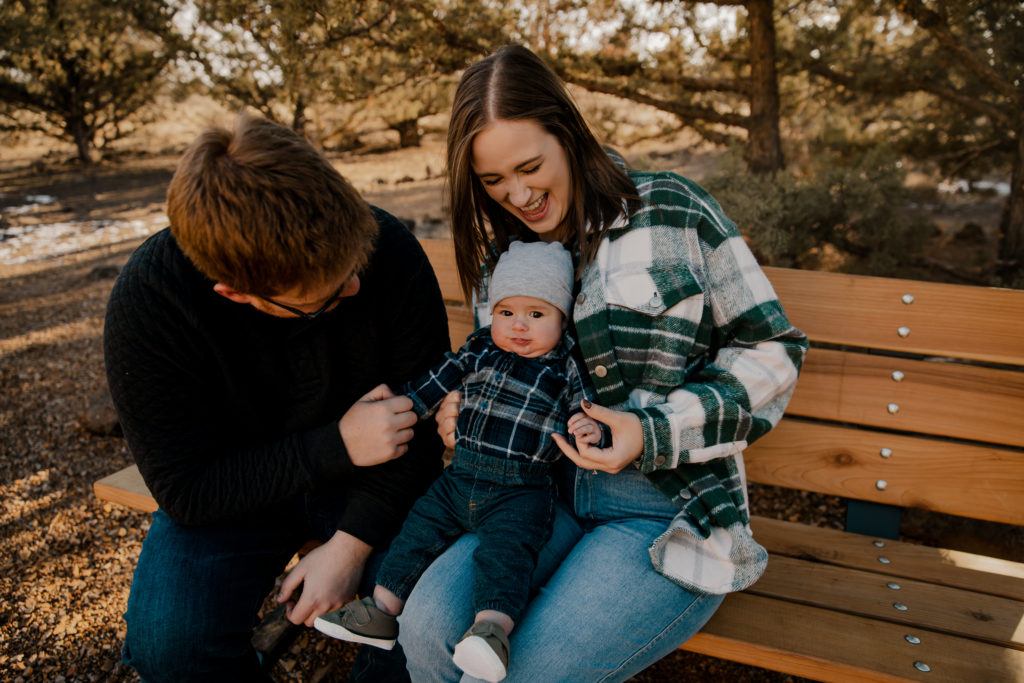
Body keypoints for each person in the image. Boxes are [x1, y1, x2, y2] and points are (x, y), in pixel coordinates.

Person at [394, 45, 809, 682]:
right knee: (424, 631)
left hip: (662, 508)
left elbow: (771, 349)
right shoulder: (504, 260)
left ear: (567, 132)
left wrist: (653, 430)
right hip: (530, 500)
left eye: (530, 166)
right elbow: (505, 370)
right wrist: (465, 405)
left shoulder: (671, 211)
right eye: (493, 181)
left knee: (528, 674)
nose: (520, 194)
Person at [103, 111, 449, 682]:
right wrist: (335, 445)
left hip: (378, 484)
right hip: (234, 493)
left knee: (430, 621)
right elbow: (187, 491)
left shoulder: (386, 249)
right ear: (236, 294)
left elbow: (419, 426)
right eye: (328, 296)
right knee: (170, 649)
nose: (355, 287)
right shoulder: (150, 303)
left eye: (353, 267)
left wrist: (349, 546)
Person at [314, 240, 605, 683]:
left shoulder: (564, 364)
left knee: (507, 555)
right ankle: (381, 612)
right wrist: (407, 403)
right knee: (415, 534)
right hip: (459, 477)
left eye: (536, 314)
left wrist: (589, 429)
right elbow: (439, 380)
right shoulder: (481, 347)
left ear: (562, 318)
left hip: (520, 489)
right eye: (507, 313)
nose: (519, 326)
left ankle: (491, 631)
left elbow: (585, 410)